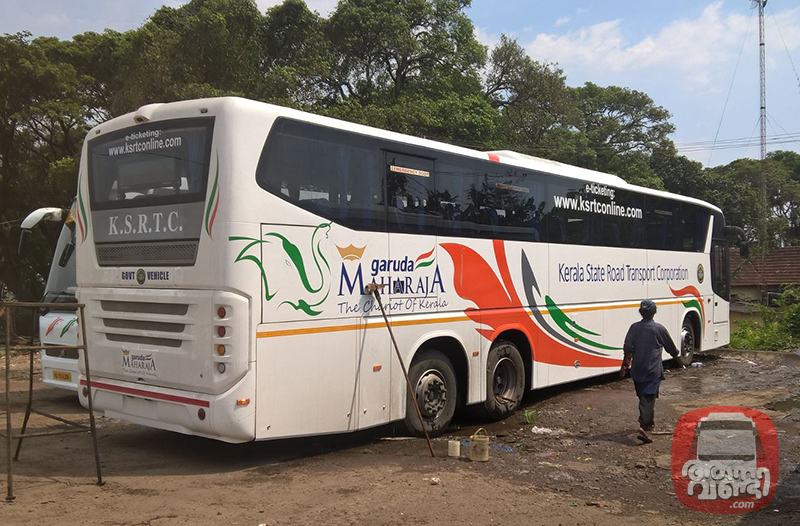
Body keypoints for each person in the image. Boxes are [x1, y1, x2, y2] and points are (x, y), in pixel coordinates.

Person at [621, 299, 679, 443]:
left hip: (637, 369)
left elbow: (627, 347)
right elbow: (671, 348)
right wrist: (676, 354)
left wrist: (627, 362)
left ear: (641, 312)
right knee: (648, 398)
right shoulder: (659, 329)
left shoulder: (634, 327)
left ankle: (649, 423)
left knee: (644, 396)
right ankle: (644, 425)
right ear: (654, 312)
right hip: (653, 369)